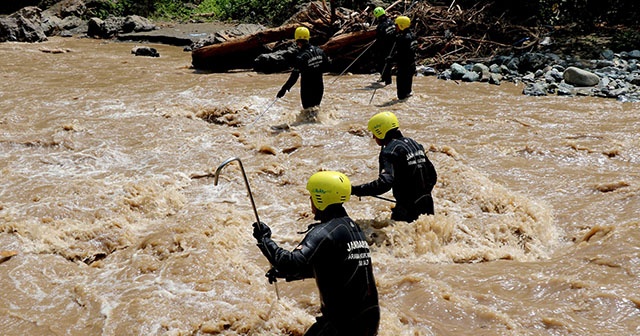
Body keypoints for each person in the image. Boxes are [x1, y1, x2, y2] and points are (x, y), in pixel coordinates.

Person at [252, 171, 380, 335]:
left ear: (321, 198)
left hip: (342, 324)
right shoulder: (351, 228)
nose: (310, 200)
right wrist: (286, 274)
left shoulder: (324, 232)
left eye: (312, 196)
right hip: (368, 318)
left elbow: (289, 262)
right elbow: (333, 268)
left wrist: (265, 240)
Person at [351, 111, 437, 223]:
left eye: (374, 133)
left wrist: (355, 190)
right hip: (427, 203)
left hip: (407, 208)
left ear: (380, 131)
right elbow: (432, 175)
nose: (373, 137)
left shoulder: (389, 152)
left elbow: (384, 184)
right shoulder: (414, 144)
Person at [277, 27, 331, 110]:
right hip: (319, 87)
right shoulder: (320, 51)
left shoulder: (301, 56)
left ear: (297, 40)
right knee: (315, 110)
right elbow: (327, 66)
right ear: (308, 37)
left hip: (307, 89)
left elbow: (294, 77)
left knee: (307, 111)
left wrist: (283, 89)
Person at [387, 16, 417, 100]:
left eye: (397, 25)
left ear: (401, 26)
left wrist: (391, 59)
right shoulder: (412, 35)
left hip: (403, 67)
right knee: (408, 91)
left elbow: (401, 53)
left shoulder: (403, 38)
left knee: (401, 94)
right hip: (411, 65)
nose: (395, 27)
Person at [372, 7, 395, 85]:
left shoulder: (381, 26)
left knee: (382, 64)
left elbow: (379, 39)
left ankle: (387, 81)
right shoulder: (391, 22)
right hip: (393, 46)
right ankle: (385, 78)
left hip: (385, 48)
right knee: (387, 64)